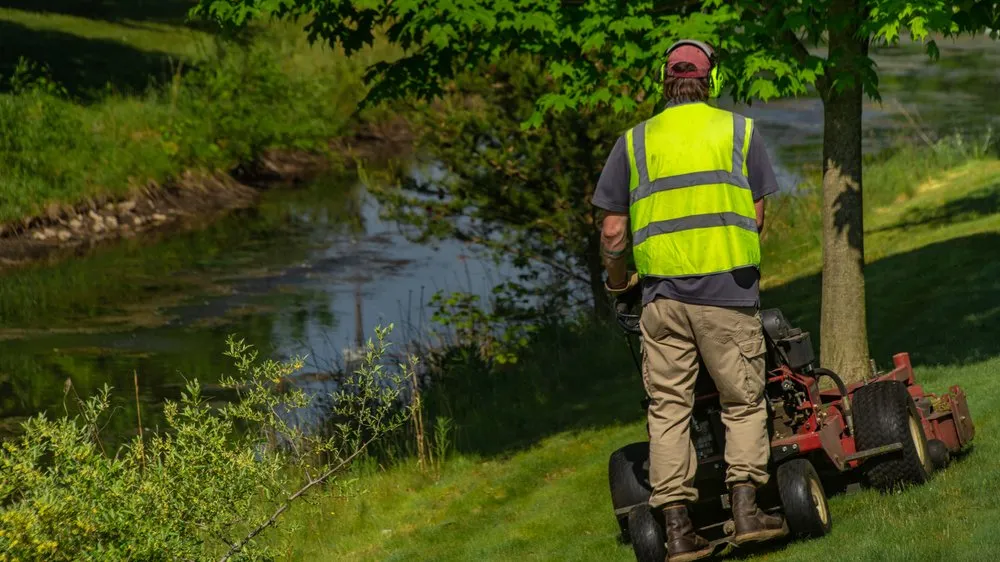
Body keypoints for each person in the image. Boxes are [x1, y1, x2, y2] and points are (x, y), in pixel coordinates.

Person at [592, 40, 785, 562]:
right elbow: (758, 217)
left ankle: (678, 530)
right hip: (727, 293)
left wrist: (617, 280)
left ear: (663, 82)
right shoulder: (740, 132)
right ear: (712, 82)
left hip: (662, 299)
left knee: (669, 409)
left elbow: (613, 232)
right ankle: (747, 511)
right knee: (742, 400)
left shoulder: (634, 142)